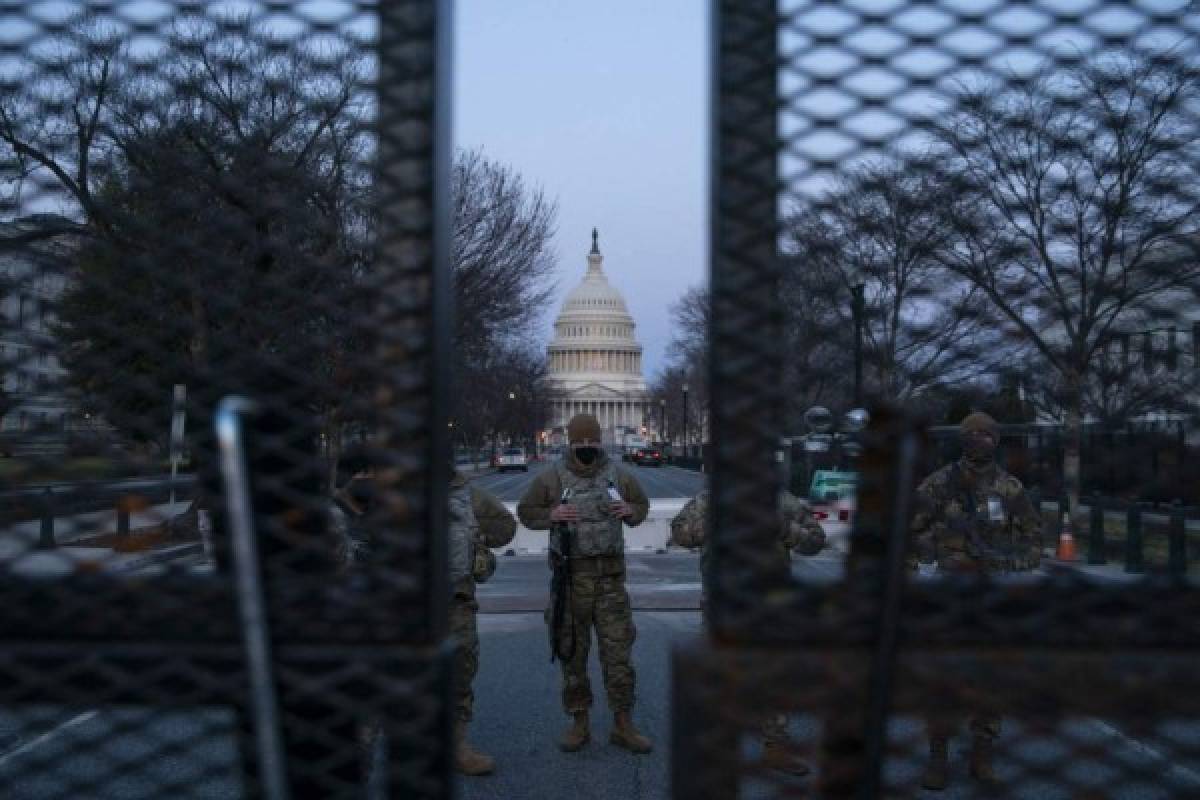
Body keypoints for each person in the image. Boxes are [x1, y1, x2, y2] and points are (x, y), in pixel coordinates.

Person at [332, 459, 516, 777]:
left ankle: (456, 745)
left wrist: (476, 544)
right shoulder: (388, 492)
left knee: (459, 677)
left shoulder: (464, 494)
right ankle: (357, 757)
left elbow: (504, 528)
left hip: (454, 603)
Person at [909, 411, 1041, 790]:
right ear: (962, 439)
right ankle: (937, 757)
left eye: (987, 434)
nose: (980, 439)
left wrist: (1007, 560)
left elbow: (1033, 542)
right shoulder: (938, 485)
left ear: (997, 441)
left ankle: (983, 755)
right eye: (973, 433)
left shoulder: (1010, 489)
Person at [516, 414, 653, 754]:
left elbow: (642, 506)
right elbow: (524, 511)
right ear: (570, 442)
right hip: (571, 581)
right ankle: (579, 722)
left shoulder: (619, 475)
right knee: (573, 656)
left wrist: (630, 511)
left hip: (609, 580)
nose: (587, 448)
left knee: (618, 654)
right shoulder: (551, 478)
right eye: (581, 442)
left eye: (593, 442)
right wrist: (550, 515)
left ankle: (623, 723)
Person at [668, 487, 826, 776]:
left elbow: (815, 541)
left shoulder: (781, 499)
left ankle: (775, 747)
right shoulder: (710, 499)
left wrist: (781, 526)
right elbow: (679, 534)